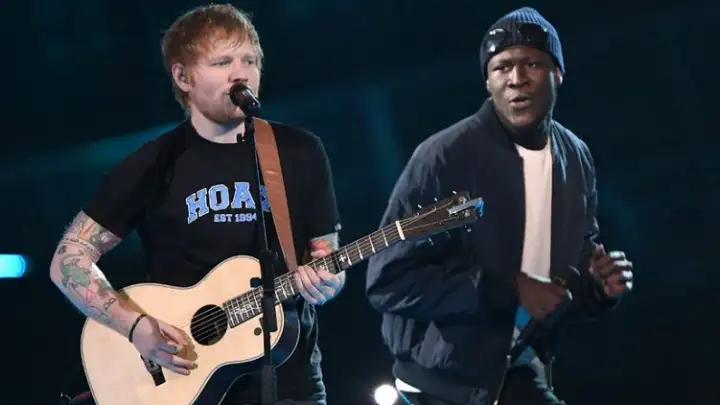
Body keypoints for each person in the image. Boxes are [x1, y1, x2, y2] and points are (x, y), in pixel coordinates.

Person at [49, 4, 344, 405]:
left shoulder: (299, 152)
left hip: (291, 381)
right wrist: (134, 326)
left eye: (250, 60)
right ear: (183, 77)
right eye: (222, 62)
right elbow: (69, 259)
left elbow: (325, 256)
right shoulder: (155, 162)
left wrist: (326, 280)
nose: (241, 73)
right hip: (186, 382)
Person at [365, 7, 634, 405]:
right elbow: (389, 280)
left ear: (557, 73)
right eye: (502, 67)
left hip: (517, 368)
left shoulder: (574, 157)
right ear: (488, 82)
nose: (516, 79)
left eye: (531, 64)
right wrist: (508, 290)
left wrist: (596, 289)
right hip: (439, 384)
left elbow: (561, 282)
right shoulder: (443, 158)